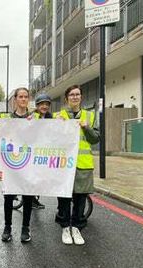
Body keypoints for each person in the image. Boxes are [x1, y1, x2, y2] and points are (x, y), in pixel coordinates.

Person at [0, 87, 36, 243]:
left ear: (28, 99)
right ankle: (7, 227)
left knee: (28, 196)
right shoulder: (7, 118)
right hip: (10, 164)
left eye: (25, 97)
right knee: (8, 196)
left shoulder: (34, 118)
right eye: (20, 96)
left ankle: (25, 228)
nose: (23, 99)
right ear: (15, 99)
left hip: (27, 162)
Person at [53, 85, 99, 245]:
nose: (75, 97)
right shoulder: (58, 116)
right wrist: (57, 126)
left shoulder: (90, 116)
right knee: (64, 196)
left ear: (81, 97)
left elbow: (95, 139)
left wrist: (86, 127)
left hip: (83, 164)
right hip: (64, 164)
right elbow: (50, 138)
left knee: (80, 197)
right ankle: (65, 226)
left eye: (77, 94)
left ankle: (77, 227)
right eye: (71, 95)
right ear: (66, 98)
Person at [28, 93, 54, 209]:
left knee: (41, 178)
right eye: (42, 104)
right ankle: (32, 200)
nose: (44, 106)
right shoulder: (32, 116)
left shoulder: (51, 117)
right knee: (33, 178)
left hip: (45, 152)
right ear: (37, 106)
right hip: (33, 152)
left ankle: (35, 198)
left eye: (46, 104)